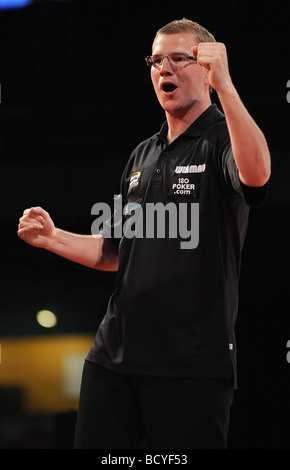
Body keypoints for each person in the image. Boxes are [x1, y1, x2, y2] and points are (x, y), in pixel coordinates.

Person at [18, 18, 271, 449]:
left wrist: (226, 88)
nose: (164, 69)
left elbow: (257, 175)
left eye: (179, 59)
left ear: (207, 69)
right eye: (156, 60)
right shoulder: (143, 153)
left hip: (191, 363)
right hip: (113, 360)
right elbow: (118, 250)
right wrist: (53, 238)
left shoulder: (221, 139)